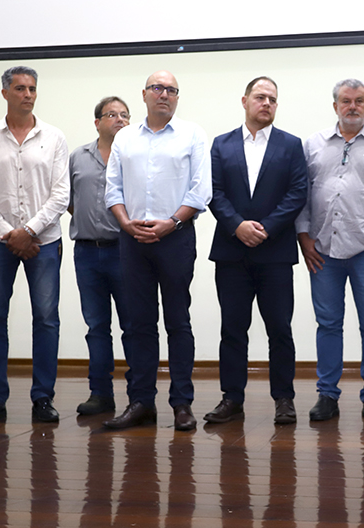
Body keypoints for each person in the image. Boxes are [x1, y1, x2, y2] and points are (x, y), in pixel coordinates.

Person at [104, 70, 211, 432]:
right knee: (139, 324)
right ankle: (141, 402)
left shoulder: (192, 134)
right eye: (157, 88)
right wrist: (125, 223)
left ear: (177, 97)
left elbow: (200, 190)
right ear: (144, 94)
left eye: (171, 90)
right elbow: (112, 188)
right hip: (132, 240)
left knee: (178, 322)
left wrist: (172, 222)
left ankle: (182, 403)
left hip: (176, 238)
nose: (164, 94)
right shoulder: (124, 138)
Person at [296, 78, 364, 424]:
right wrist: (304, 237)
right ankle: (327, 395)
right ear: (335, 106)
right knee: (328, 324)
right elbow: (301, 193)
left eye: (359, 101)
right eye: (346, 101)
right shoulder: (312, 144)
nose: (352, 106)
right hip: (322, 250)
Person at [0, 66, 70, 424]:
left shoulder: (54, 137)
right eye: (20, 88)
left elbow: (61, 194)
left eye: (32, 89)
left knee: (46, 319)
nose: (27, 94)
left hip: (44, 241)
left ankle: (43, 398)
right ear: (5, 93)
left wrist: (29, 230)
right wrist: (9, 233)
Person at [205, 76, 307, 425]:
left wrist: (266, 228)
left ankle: (284, 399)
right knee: (233, 329)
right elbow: (214, 191)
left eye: (273, 99)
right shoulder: (221, 144)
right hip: (231, 253)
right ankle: (232, 398)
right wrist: (237, 226)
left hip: (275, 252)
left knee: (280, 329)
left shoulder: (291, 144)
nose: (267, 104)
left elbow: (297, 193)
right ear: (245, 101)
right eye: (261, 97)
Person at [69, 96, 132, 415]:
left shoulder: (135, 156)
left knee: (132, 325)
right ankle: (100, 394)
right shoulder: (77, 157)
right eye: (112, 115)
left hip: (125, 252)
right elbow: (69, 201)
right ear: (97, 123)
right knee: (96, 326)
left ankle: (138, 396)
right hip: (86, 253)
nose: (120, 120)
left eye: (125, 115)